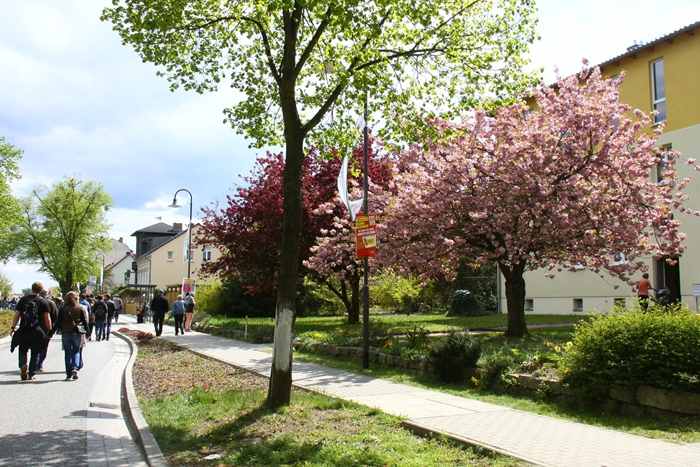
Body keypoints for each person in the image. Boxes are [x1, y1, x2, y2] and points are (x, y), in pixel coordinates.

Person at [9, 281, 52, 381]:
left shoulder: (23, 300)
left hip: (24, 329)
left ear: (32, 288)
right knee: (35, 352)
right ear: (40, 290)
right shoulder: (42, 301)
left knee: (22, 350)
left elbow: (17, 314)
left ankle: (23, 365)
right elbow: (47, 318)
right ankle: (31, 373)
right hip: (36, 330)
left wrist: (13, 327)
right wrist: (49, 330)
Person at [52, 291, 90, 380]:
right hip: (77, 332)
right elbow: (85, 321)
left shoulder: (63, 308)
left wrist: (51, 332)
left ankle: (68, 374)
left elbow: (58, 322)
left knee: (68, 353)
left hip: (66, 332)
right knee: (76, 351)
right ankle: (75, 368)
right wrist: (88, 332)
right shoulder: (81, 308)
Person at [38, 289, 59, 372]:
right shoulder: (51, 303)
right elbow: (56, 317)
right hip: (46, 328)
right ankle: (39, 364)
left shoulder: (35, 301)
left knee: (35, 347)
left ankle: (34, 363)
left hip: (34, 328)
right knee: (44, 347)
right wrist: (53, 329)